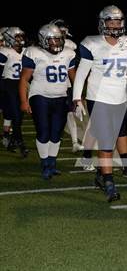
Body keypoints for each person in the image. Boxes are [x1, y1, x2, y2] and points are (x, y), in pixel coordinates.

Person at [73, 5, 127, 202]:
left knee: (115, 137)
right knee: (105, 141)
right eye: (110, 22)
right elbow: (81, 73)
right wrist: (76, 98)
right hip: (98, 97)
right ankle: (109, 183)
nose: (114, 26)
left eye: (117, 22)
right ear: (102, 23)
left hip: (120, 98)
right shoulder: (92, 43)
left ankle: (100, 174)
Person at [19, 24, 76, 179]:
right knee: (43, 131)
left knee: (56, 133)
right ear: (43, 40)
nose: (56, 43)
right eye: (53, 40)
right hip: (40, 96)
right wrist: (24, 101)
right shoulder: (33, 52)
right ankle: (45, 164)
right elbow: (24, 79)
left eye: (58, 40)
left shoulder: (68, 53)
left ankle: (52, 163)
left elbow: (73, 77)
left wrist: (77, 96)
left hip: (61, 96)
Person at [50, 19, 84, 153]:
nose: (62, 35)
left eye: (64, 32)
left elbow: (73, 69)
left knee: (70, 113)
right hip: (50, 85)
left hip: (66, 84)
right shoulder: (46, 46)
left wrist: (78, 89)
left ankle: (75, 142)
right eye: (60, 32)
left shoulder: (71, 45)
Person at [0, 27, 28, 156]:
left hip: (21, 85)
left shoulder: (27, 52)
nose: (20, 39)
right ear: (10, 38)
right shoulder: (5, 52)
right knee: (15, 115)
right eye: (17, 37)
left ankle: (13, 140)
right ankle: (20, 142)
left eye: (21, 36)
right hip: (8, 85)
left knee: (19, 117)